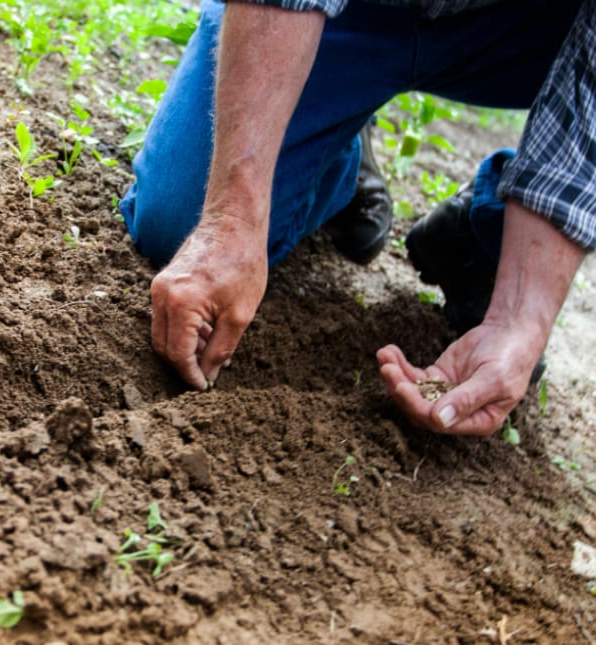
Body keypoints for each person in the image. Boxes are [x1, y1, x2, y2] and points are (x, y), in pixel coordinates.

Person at [119, 0, 594, 436]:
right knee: (178, 220)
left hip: (527, 27)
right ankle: (336, 145)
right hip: (354, 11)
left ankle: (491, 229)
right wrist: (232, 218)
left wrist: (519, 320)